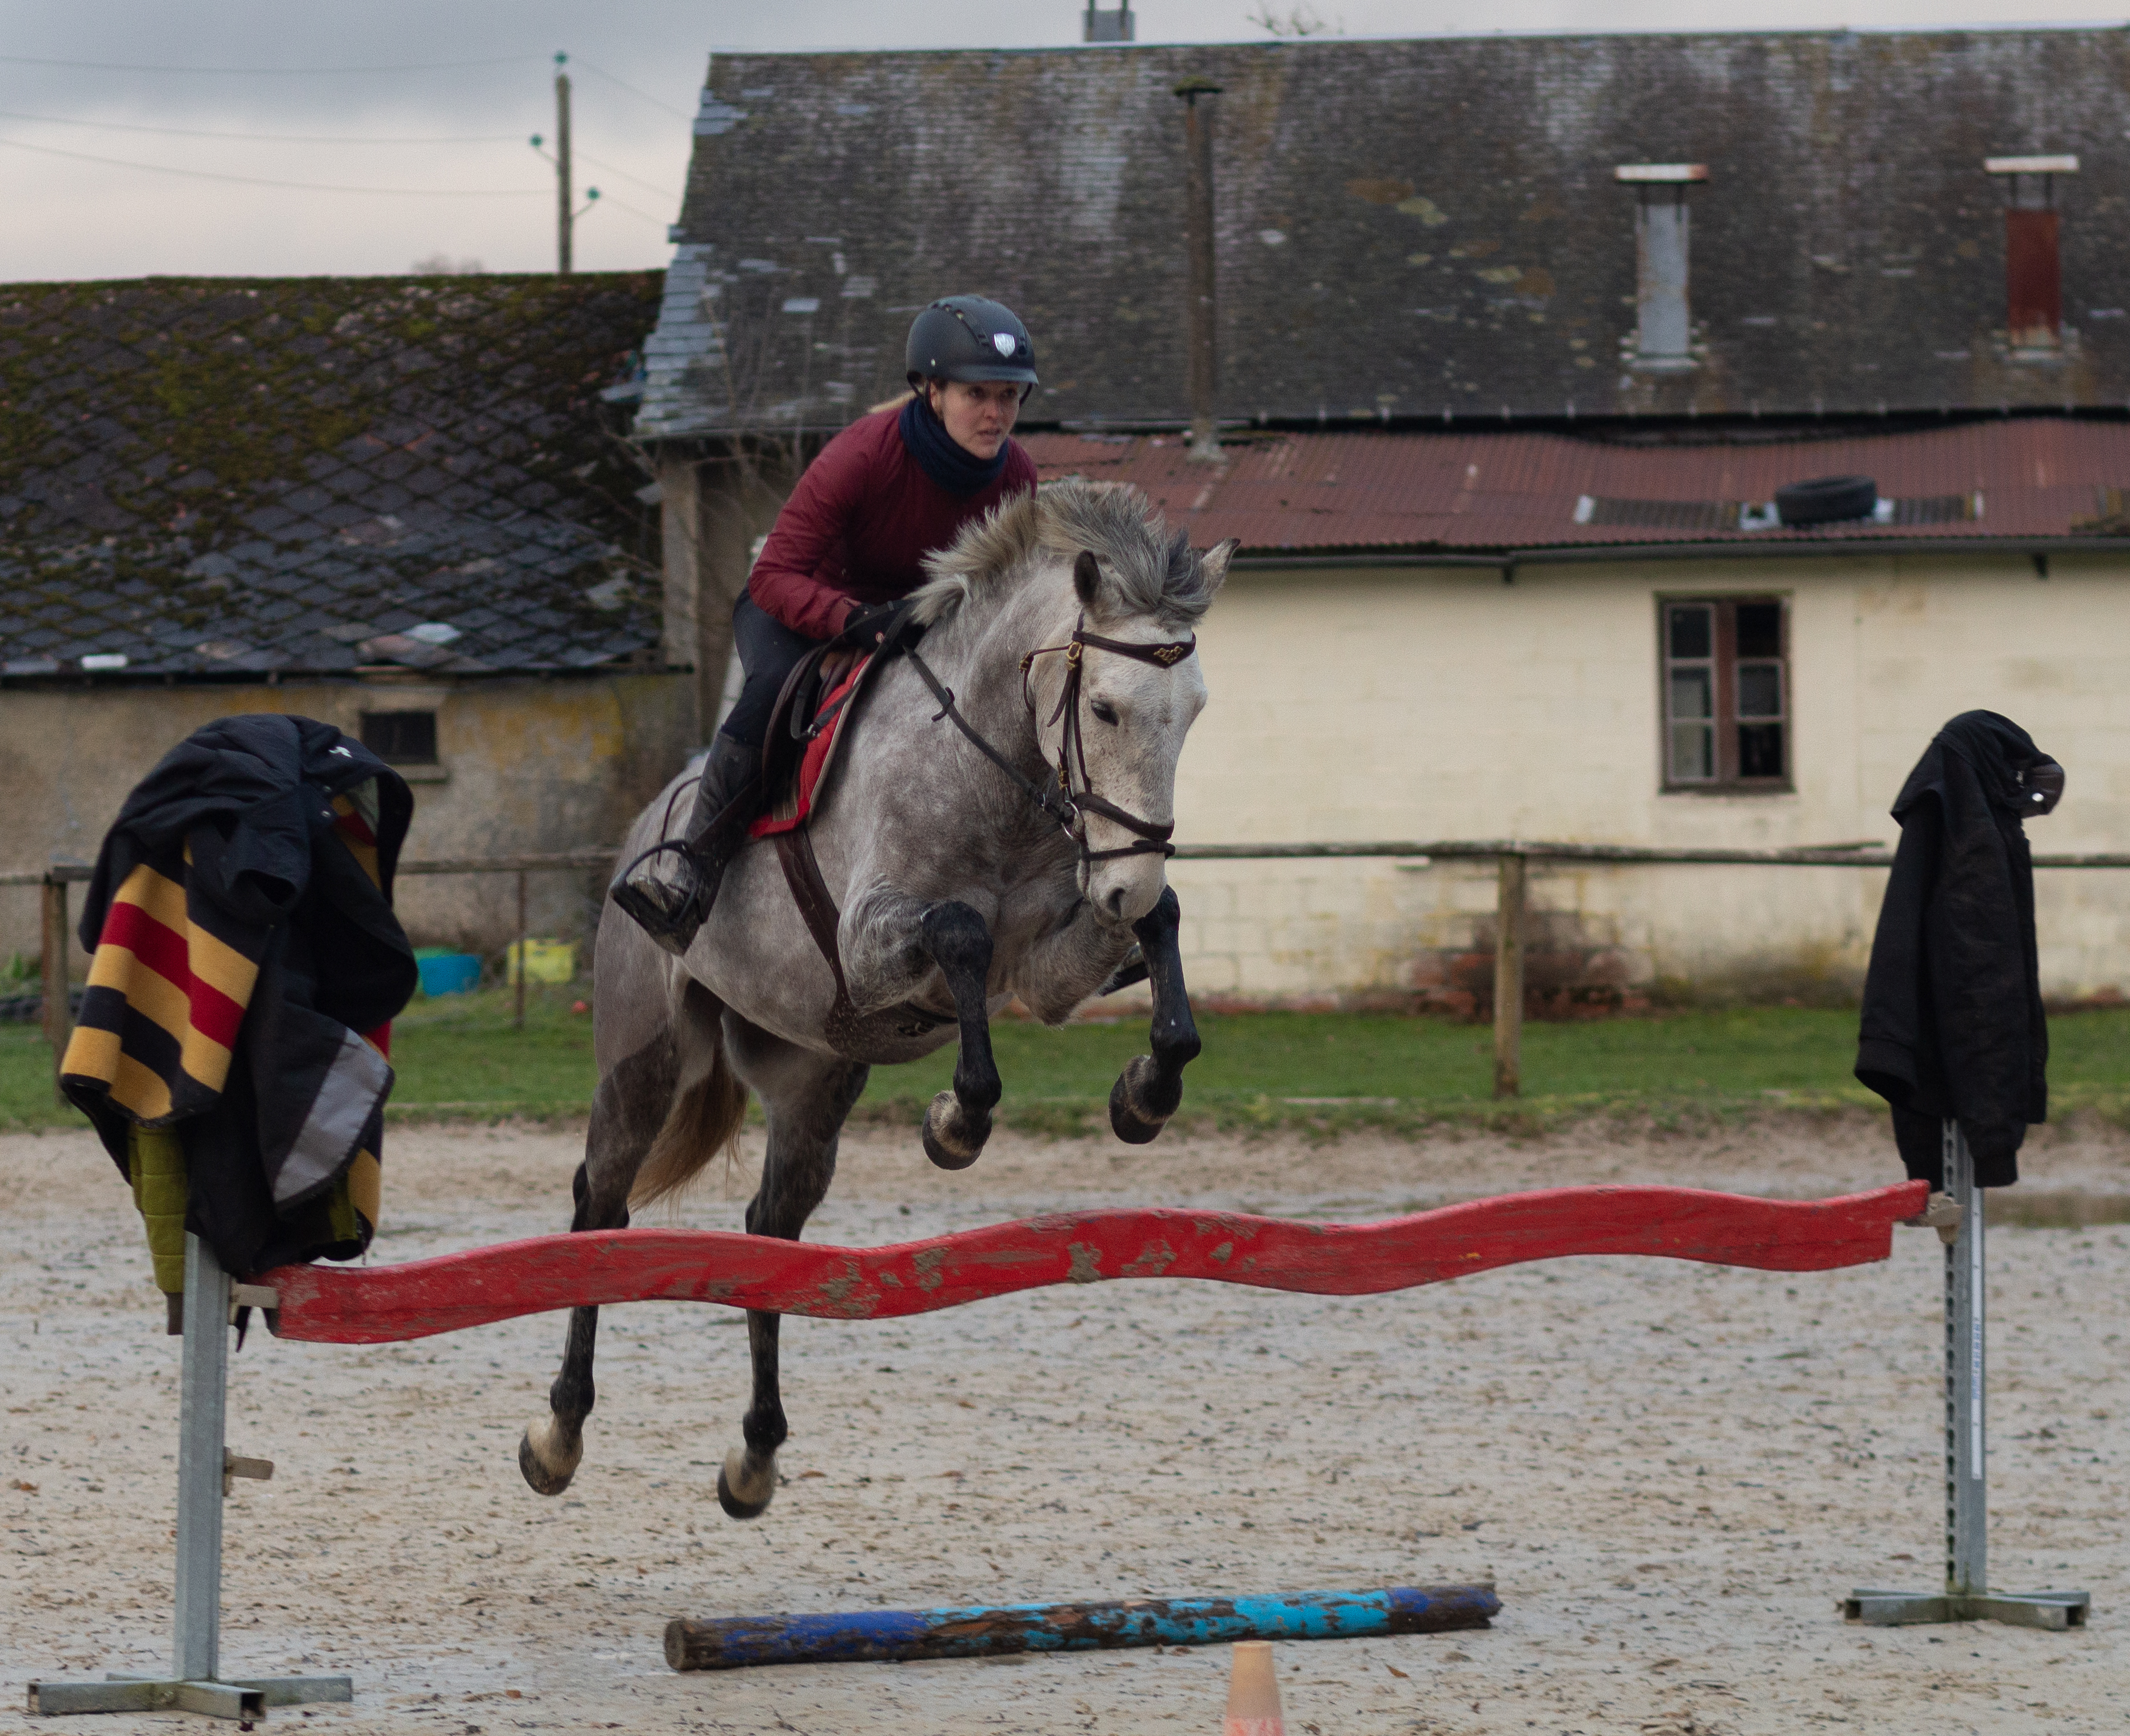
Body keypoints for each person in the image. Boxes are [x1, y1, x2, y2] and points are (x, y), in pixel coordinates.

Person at [613, 294, 1041, 953]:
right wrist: (855, 622)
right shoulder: (863, 454)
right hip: (803, 612)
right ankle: (691, 873)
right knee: (769, 692)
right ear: (931, 390)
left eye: (1010, 396)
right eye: (977, 394)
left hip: (915, 628)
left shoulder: (1017, 475)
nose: (996, 414)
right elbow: (774, 576)